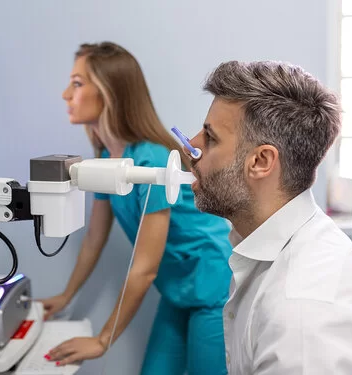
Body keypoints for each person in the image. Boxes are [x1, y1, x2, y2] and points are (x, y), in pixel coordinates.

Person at [186, 60, 352, 374]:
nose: (191, 146)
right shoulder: (276, 248)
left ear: (261, 161)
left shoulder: (304, 315)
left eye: (211, 138)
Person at [40, 42, 233, 375]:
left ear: (108, 92)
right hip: (176, 289)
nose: (65, 95)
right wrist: (66, 295)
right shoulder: (106, 160)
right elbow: (94, 239)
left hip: (212, 285)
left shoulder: (151, 161)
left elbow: (144, 269)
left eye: (77, 83)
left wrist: (103, 341)